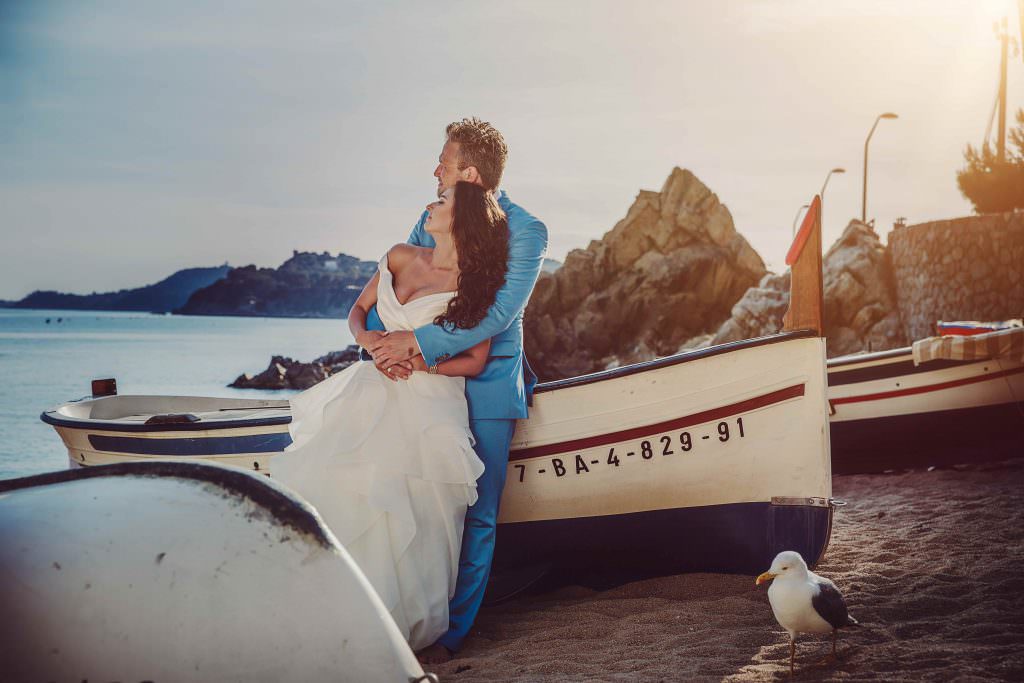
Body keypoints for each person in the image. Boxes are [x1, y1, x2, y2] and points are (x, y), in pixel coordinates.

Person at [271, 181, 510, 652]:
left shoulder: (476, 285)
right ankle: (340, 611)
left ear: (460, 220)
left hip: (430, 403)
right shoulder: (400, 256)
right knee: (353, 493)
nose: (430, 205)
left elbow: (476, 361)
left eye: (441, 202)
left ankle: (399, 627)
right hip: (372, 386)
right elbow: (359, 311)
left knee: (417, 511)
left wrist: (419, 361)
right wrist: (372, 344)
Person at [364, 117, 548, 662]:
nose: (435, 171)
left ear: (469, 172)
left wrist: (416, 344)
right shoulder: (434, 215)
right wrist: (379, 347)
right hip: (420, 385)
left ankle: (452, 636)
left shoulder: (528, 230)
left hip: (487, 379)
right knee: (412, 495)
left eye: (443, 162)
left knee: (478, 509)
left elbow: (497, 315)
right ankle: (406, 607)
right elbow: (407, 287)